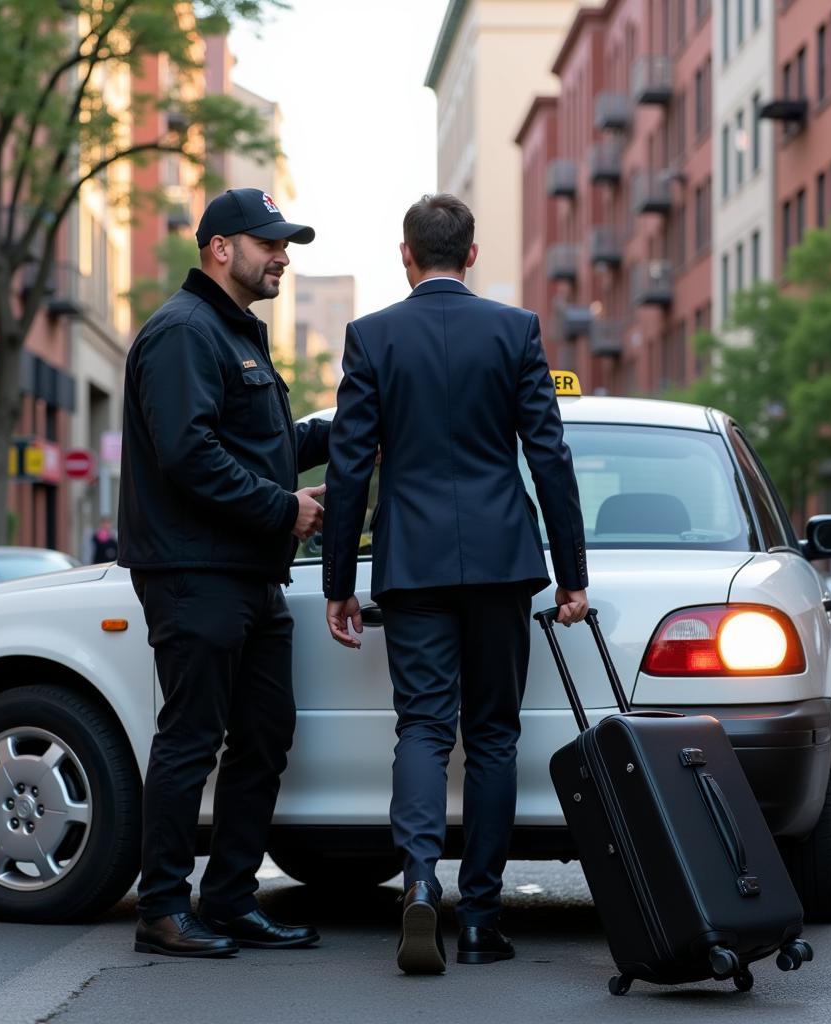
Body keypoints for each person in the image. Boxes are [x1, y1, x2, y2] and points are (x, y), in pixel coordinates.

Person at [321, 194, 589, 974]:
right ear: (472, 255)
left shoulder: (372, 337)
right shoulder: (515, 331)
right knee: (495, 735)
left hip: (413, 563)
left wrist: (340, 579)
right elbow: (550, 457)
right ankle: (480, 919)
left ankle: (417, 882)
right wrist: (572, 573)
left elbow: (347, 467)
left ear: (405, 255)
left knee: (425, 728)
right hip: (503, 560)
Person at [118, 188, 330, 959]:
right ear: (219, 247)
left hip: (245, 574)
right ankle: (163, 911)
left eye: (286, 245)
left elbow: (260, 442)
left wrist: (353, 425)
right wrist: (284, 510)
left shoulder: (232, 334)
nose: (281, 257)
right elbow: (189, 454)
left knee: (264, 733)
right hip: (194, 570)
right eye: (269, 243)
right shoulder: (183, 332)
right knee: (191, 738)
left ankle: (232, 898)